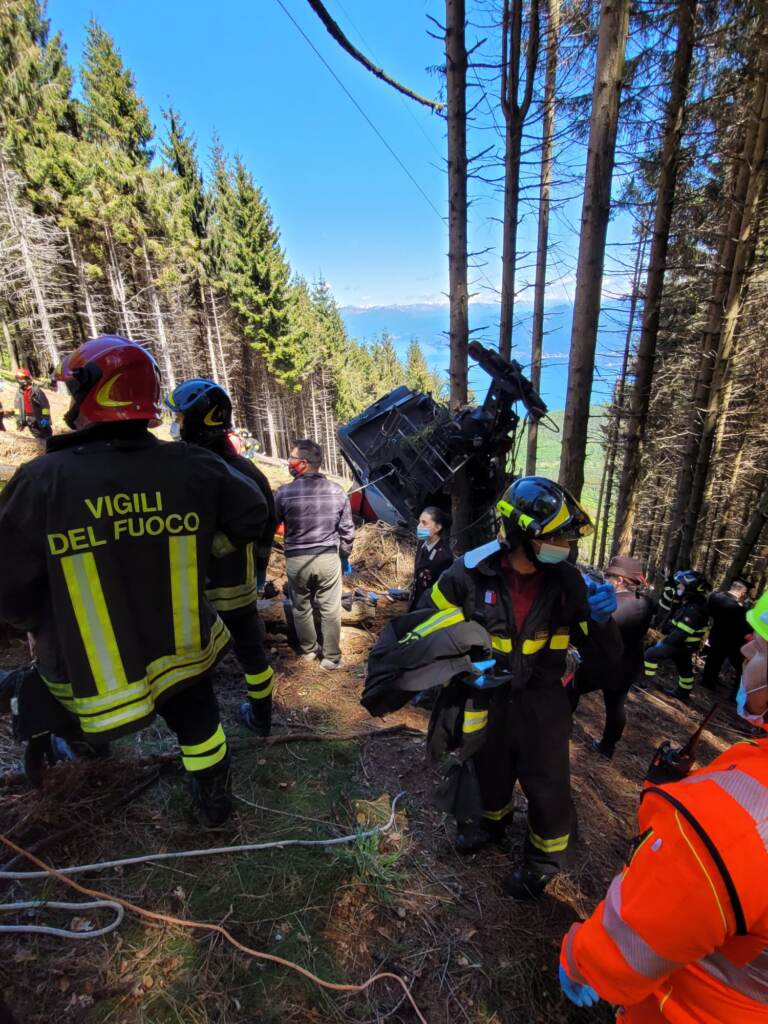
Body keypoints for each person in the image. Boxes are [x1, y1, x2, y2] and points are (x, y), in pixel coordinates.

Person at [0, 337, 269, 825]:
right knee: (201, 729)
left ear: (93, 396)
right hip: (181, 646)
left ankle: (84, 766)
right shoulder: (196, 468)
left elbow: (7, 582)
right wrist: (206, 545)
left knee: (77, 722)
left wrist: (34, 620)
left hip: (87, 662)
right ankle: (215, 807)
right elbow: (253, 515)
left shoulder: (42, 482)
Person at [558, 589, 768, 1022]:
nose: (746, 647)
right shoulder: (751, 765)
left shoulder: (732, 827)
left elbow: (634, 939)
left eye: (763, 644)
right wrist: (677, 789)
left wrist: (578, 961)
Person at [416, 476, 621, 898]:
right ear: (520, 535)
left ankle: (543, 860)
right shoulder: (472, 570)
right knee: (489, 765)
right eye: (555, 536)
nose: (565, 544)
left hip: (543, 700)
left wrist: (603, 622)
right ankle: (492, 824)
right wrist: (457, 663)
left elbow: (606, 658)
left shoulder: (567, 583)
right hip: (488, 691)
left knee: (547, 781)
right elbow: (425, 620)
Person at [165, 379, 277, 736]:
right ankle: (262, 716)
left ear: (202, 420)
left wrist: (209, 550)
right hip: (239, 586)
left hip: (205, 587)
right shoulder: (244, 469)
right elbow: (266, 528)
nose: (177, 425)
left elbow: (259, 520)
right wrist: (259, 574)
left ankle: (204, 726)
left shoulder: (201, 469)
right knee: (252, 654)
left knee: (197, 659)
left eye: (181, 418)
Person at [274, 439, 355, 670]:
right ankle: (331, 657)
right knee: (331, 608)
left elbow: (271, 523)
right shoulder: (338, 491)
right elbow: (347, 531)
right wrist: (344, 556)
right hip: (328, 558)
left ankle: (309, 651)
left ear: (304, 463)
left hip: (296, 560)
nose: (289, 462)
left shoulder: (284, 493)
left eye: (292, 458)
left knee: (301, 607)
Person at [569, 555, 655, 759]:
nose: (606, 579)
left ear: (620, 580)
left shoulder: (615, 606)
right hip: (629, 665)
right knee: (616, 706)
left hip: (602, 664)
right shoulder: (645, 602)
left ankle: (561, 727)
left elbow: (591, 632)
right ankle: (607, 747)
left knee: (570, 690)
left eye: (609, 576)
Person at [643, 569, 709, 701]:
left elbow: (681, 633)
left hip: (682, 644)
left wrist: (663, 642)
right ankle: (683, 692)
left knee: (651, 654)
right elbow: (677, 623)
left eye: (681, 585)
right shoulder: (693, 602)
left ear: (691, 588)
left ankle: (645, 683)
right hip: (688, 645)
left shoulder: (694, 609)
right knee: (684, 668)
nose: (678, 586)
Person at [701, 579, 749, 693]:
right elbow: (742, 627)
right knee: (741, 667)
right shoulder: (737, 608)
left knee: (713, 660)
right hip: (733, 641)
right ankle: (735, 693)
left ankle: (707, 682)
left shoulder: (715, 596)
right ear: (742, 593)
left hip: (715, 634)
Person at [410, 506, 453, 610]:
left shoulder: (444, 557)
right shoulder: (422, 543)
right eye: (419, 522)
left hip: (427, 607)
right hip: (415, 601)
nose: (419, 526)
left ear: (438, 528)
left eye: (424, 523)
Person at [13, 367, 52, 440]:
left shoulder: (36, 391)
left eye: (21, 378)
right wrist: (19, 421)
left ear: (27, 378)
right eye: (18, 378)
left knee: (47, 436)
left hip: (39, 417)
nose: (19, 380)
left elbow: (45, 406)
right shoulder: (19, 393)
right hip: (29, 419)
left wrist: (46, 419)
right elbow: (17, 408)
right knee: (38, 438)